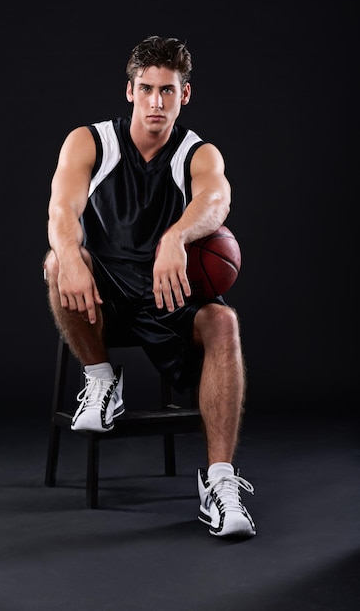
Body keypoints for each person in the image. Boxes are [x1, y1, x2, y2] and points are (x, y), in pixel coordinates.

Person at [43, 35, 256, 539]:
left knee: (224, 320)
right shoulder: (90, 141)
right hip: (107, 293)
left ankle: (220, 483)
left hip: (171, 293)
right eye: (146, 89)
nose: (155, 102)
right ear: (129, 91)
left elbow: (217, 199)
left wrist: (177, 237)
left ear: (185, 95)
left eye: (167, 91)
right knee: (57, 263)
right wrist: (72, 255)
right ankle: (100, 379)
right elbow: (61, 210)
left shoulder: (197, 153)